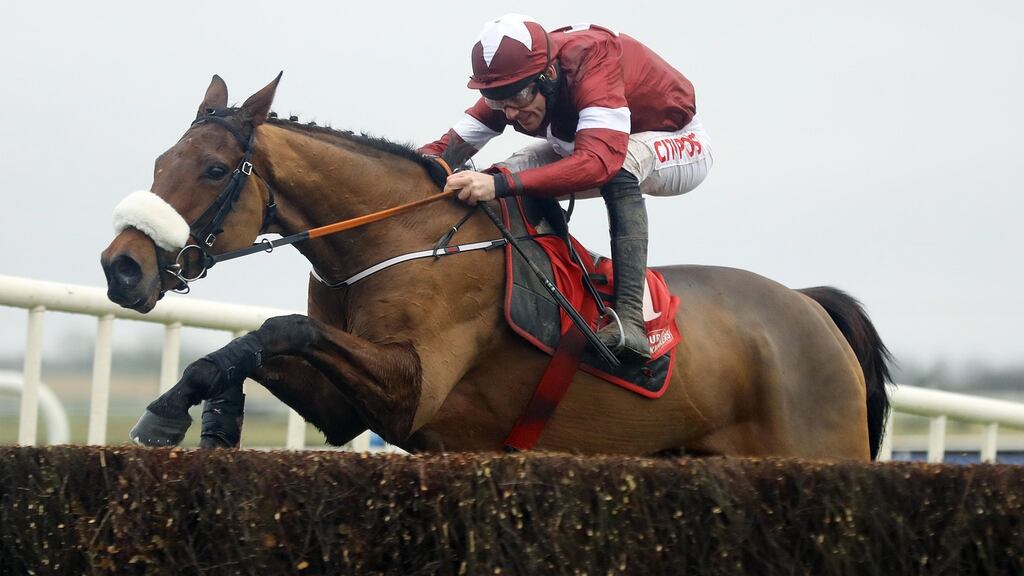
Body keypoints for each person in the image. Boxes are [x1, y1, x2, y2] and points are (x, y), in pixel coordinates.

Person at [420, 14, 713, 362]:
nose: (510, 112)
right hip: (587, 143)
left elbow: (599, 162)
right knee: (492, 177)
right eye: (498, 102)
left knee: (616, 167)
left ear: (549, 76)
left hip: (676, 141)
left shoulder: (592, 62)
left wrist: (499, 185)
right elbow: (441, 152)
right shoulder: (512, 85)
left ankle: (632, 320)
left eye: (518, 97)